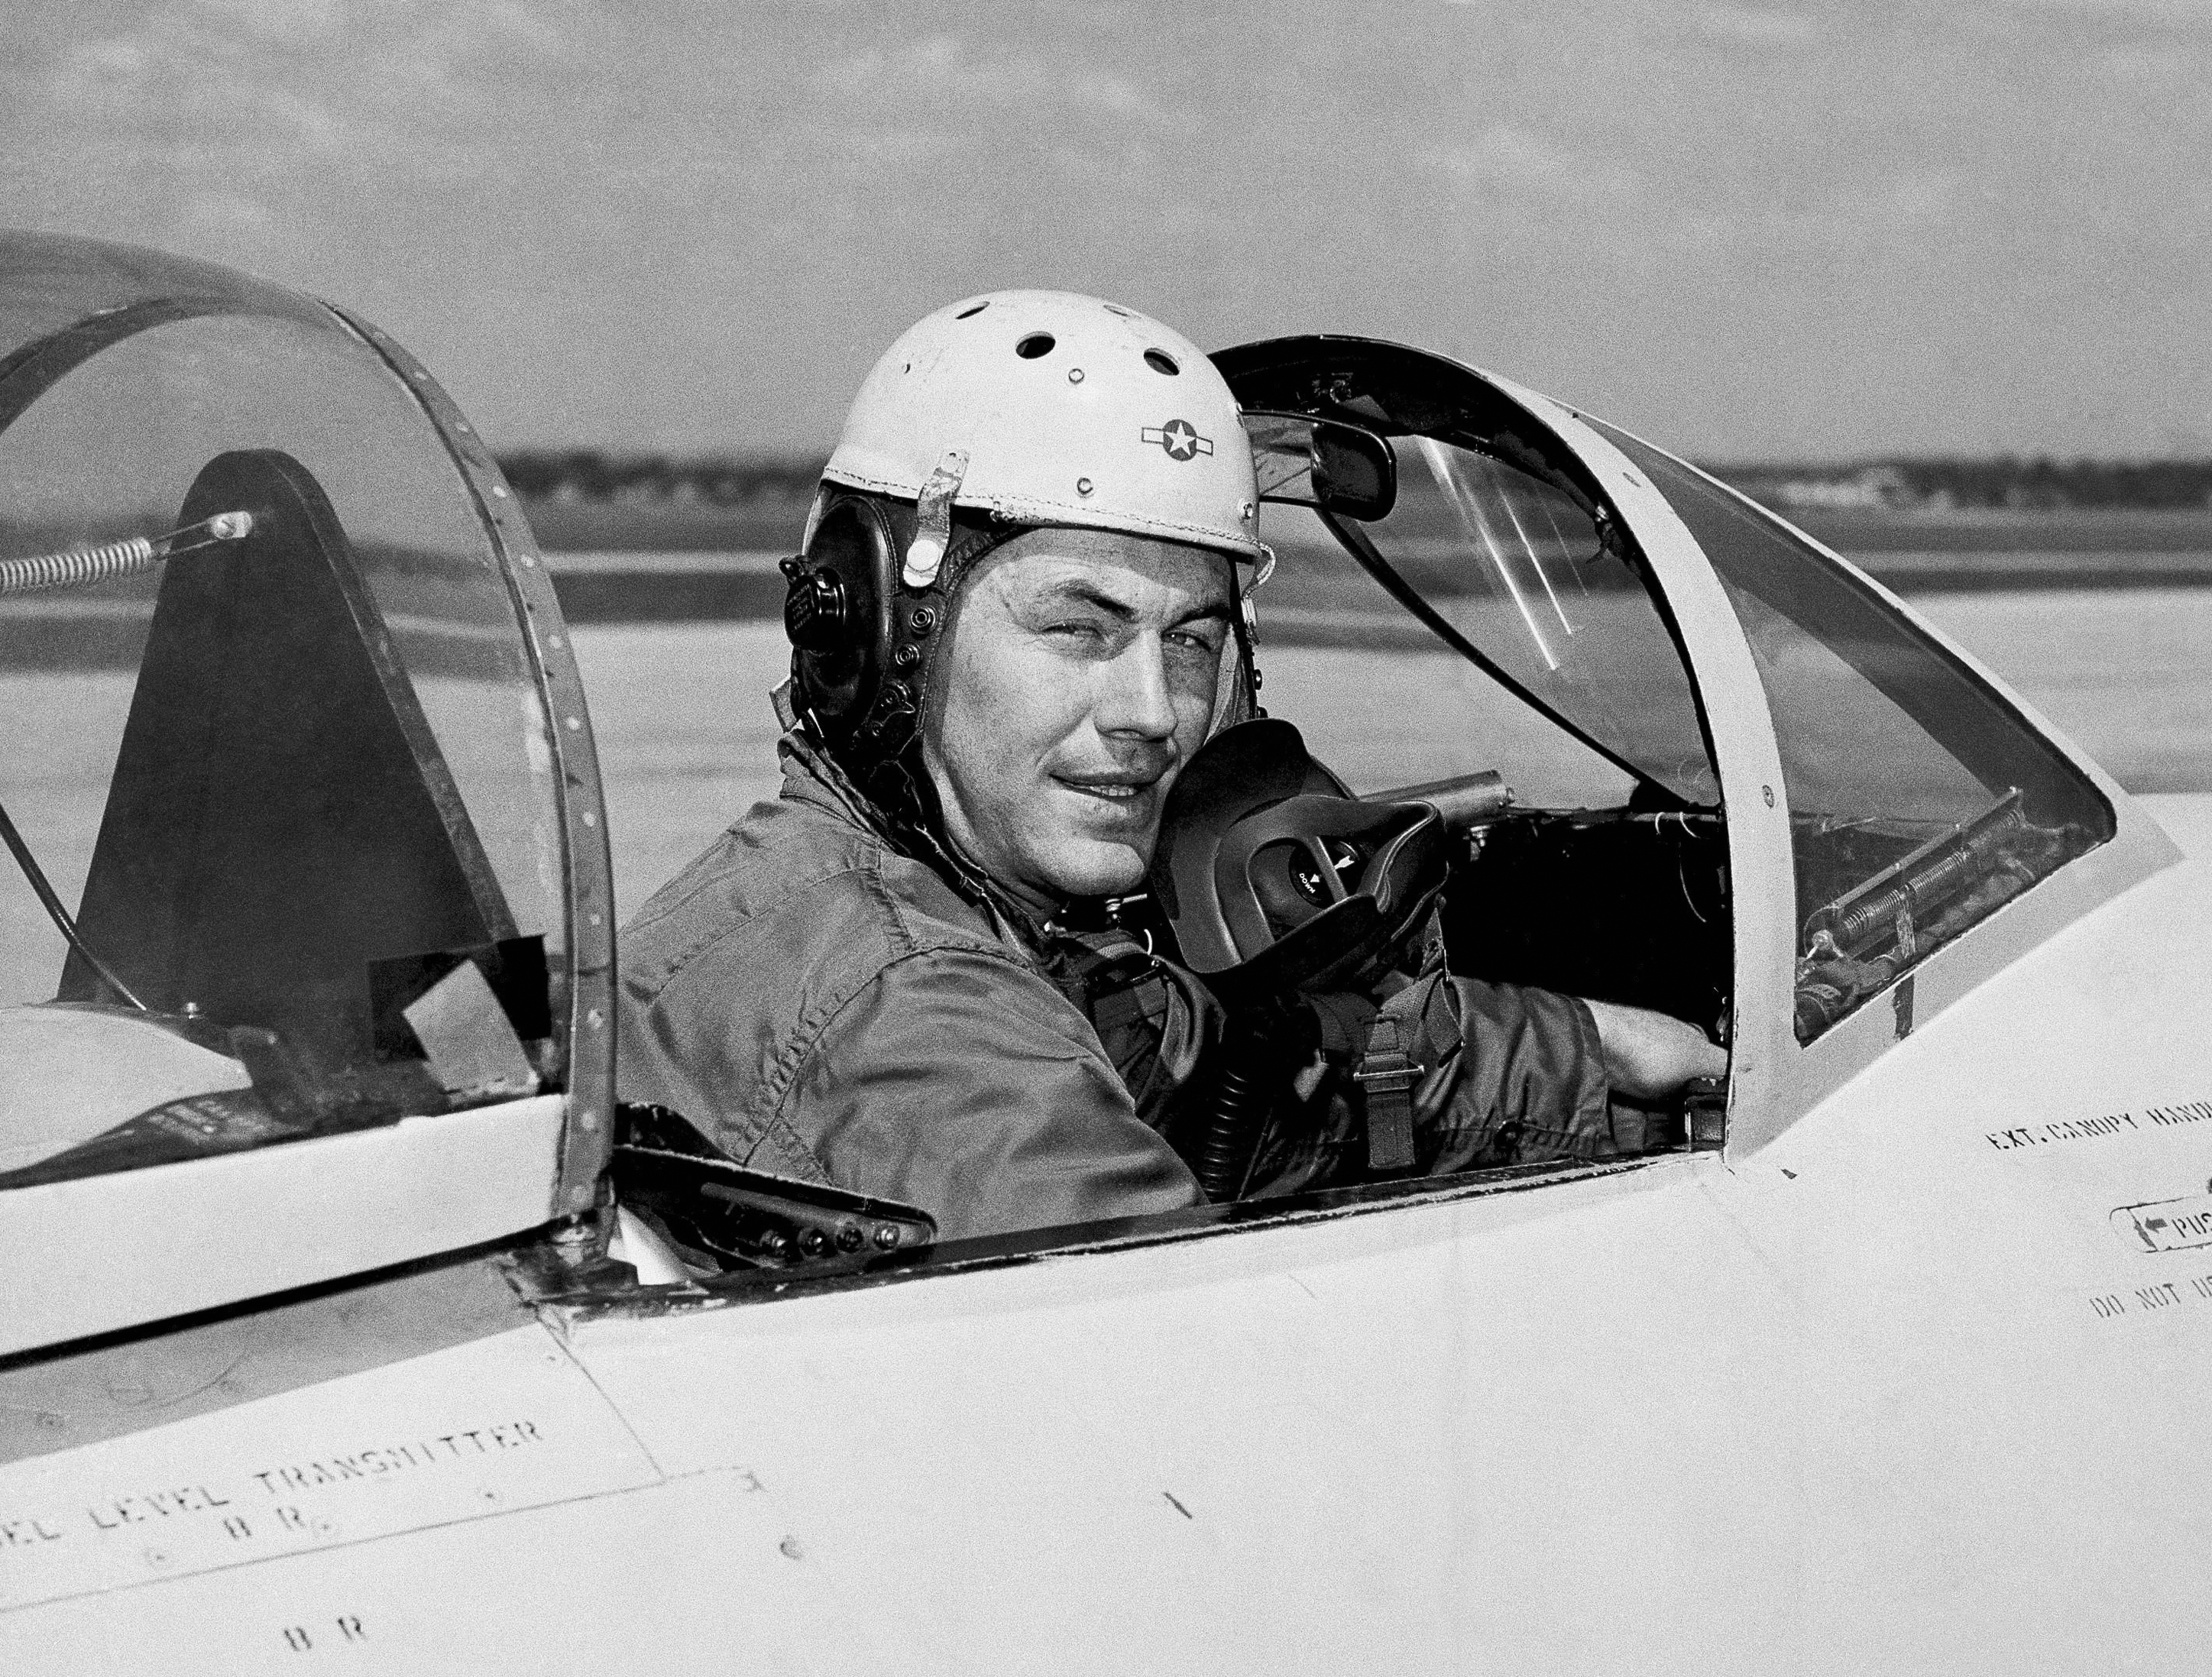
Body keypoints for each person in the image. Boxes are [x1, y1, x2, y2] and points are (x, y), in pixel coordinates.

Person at [615, 291, 1725, 1242]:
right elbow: (1213, 1384)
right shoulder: (918, 1026)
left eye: (1191, 641)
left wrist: (1610, 1056)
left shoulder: (998, 932)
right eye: (1078, 628)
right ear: (874, 635)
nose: (1154, 714)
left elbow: (1283, 1075)